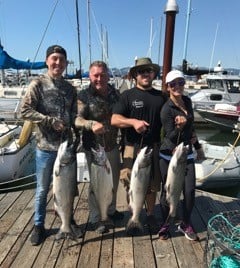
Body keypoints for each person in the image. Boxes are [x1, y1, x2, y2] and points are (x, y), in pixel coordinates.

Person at [21, 45, 81, 246]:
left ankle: (68, 219)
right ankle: (39, 225)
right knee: (42, 189)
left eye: (62, 60)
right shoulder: (37, 84)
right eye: (54, 59)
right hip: (45, 148)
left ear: (65, 63)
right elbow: (24, 111)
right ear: (47, 61)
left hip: (67, 149)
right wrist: (49, 120)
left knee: (70, 188)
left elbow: (73, 116)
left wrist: (83, 125)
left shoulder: (70, 88)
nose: (58, 63)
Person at [111, 57, 166, 233]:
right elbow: (114, 119)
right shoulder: (127, 96)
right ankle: (134, 216)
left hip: (153, 147)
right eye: (141, 71)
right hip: (131, 146)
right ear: (135, 75)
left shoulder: (161, 96)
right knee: (131, 184)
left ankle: (150, 215)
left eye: (148, 71)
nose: (145, 74)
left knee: (152, 185)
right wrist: (133, 122)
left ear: (153, 73)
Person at [75, 60, 124, 234]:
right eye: (95, 75)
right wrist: (90, 124)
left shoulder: (115, 93)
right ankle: (96, 218)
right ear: (90, 76)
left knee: (113, 182)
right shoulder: (83, 95)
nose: (99, 78)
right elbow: (77, 119)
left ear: (108, 74)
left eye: (102, 75)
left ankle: (110, 210)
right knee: (96, 184)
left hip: (112, 146)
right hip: (94, 149)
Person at [158, 70, 205, 241]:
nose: (177, 86)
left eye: (180, 82)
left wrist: (198, 147)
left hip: (187, 152)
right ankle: (165, 223)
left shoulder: (187, 101)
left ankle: (185, 223)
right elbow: (168, 136)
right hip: (169, 156)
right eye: (173, 84)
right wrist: (178, 127)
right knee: (168, 191)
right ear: (168, 87)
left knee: (190, 191)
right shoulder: (166, 109)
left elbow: (191, 129)